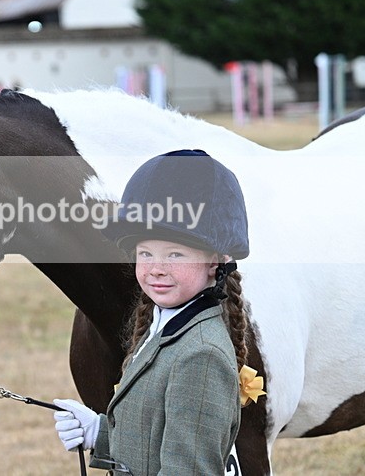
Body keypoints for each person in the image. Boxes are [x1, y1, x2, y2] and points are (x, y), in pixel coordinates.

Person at [53, 149, 265, 475]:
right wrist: (100, 432)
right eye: (146, 253)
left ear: (216, 262)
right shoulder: (166, 328)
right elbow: (156, 438)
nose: (156, 269)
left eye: (176, 254)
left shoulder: (201, 356)